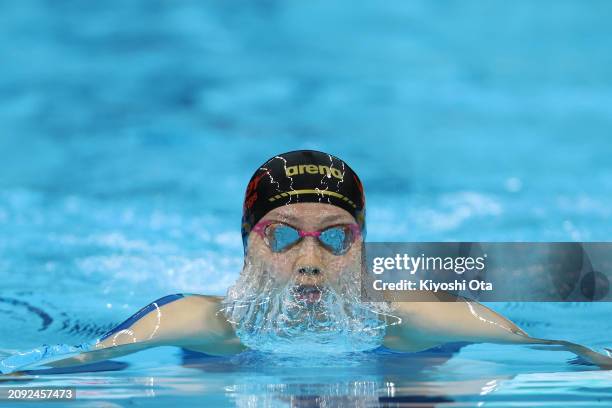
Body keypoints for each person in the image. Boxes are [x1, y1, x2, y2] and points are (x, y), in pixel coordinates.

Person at [2, 150, 611, 374]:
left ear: (365, 249)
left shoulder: (422, 315)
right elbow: (52, 378)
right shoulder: (194, 322)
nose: (311, 262)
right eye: (284, 236)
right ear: (247, 245)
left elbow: (569, 356)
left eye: (337, 238)